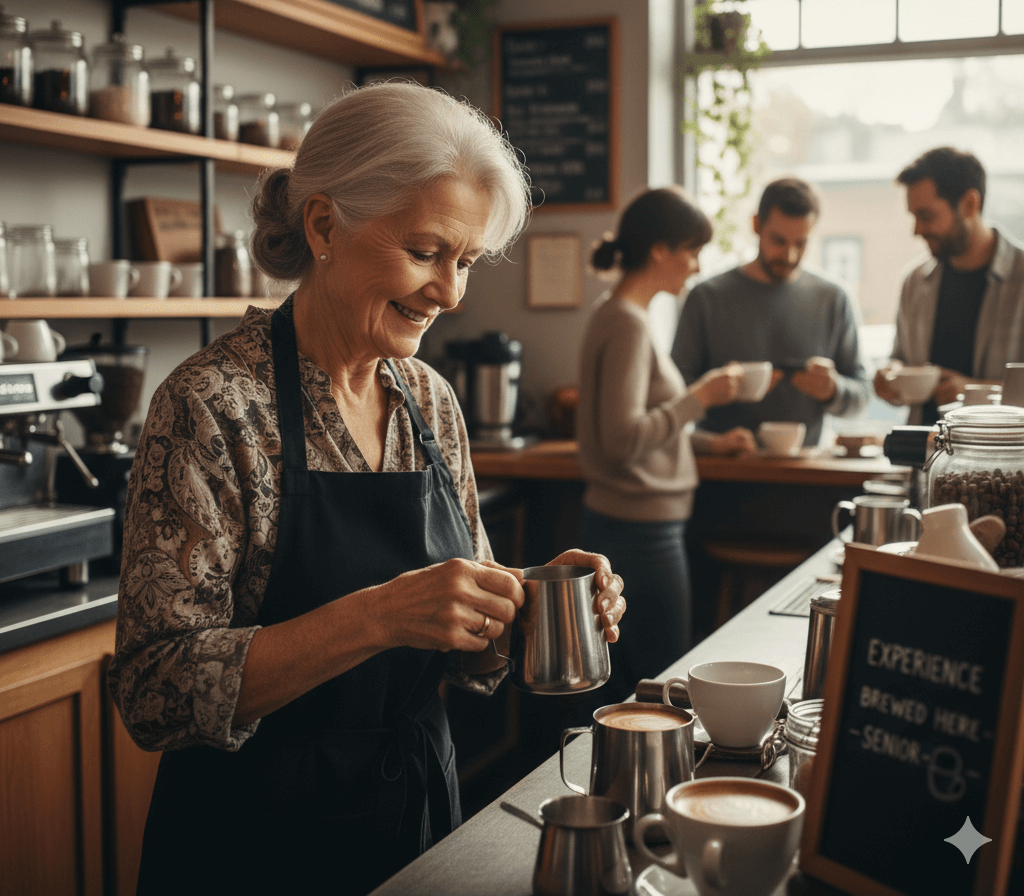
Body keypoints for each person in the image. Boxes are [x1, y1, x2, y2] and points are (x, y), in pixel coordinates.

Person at [107, 83, 626, 896]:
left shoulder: (428, 402)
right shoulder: (213, 405)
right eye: (425, 253)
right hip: (253, 847)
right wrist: (380, 615)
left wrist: (527, 603)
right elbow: (155, 690)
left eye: (465, 262)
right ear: (324, 226)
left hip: (415, 827)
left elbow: (466, 646)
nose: (450, 293)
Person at [577, 186, 750, 703]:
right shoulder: (627, 323)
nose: (696, 266)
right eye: (691, 251)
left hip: (634, 525)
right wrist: (699, 398)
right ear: (660, 250)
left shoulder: (622, 315)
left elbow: (644, 430)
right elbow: (623, 439)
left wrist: (710, 444)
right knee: (662, 683)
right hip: (639, 533)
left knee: (636, 679)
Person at [672, 177, 872, 447]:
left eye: (800, 244)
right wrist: (714, 391)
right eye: (778, 241)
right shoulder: (706, 297)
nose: (789, 256)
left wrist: (834, 390)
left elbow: (863, 394)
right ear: (756, 225)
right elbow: (673, 394)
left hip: (809, 474)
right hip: (725, 470)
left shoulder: (834, 299)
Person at [874, 146, 1024, 424]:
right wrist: (891, 375)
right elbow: (900, 358)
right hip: (925, 461)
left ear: (969, 204)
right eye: (913, 216)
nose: (916, 230)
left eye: (926, 216)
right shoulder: (915, 281)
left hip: (1004, 461)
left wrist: (973, 392)